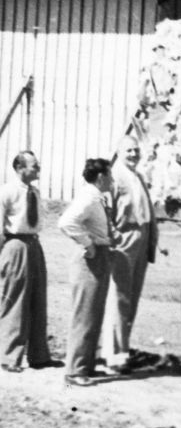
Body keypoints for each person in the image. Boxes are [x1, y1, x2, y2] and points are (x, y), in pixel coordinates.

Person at [102, 135, 158, 374]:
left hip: (142, 239)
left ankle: (122, 349)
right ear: (118, 151)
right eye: (129, 151)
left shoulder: (139, 177)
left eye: (136, 150)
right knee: (120, 298)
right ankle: (113, 356)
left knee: (132, 298)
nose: (134, 155)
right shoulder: (114, 178)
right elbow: (105, 212)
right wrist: (113, 238)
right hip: (124, 240)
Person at [59, 158, 115, 387]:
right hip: (89, 259)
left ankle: (85, 365)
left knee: (94, 313)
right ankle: (74, 371)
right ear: (101, 177)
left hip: (100, 255)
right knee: (85, 314)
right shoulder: (89, 197)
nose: (112, 180)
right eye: (109, 176)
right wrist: (88, 244)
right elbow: (66, 222)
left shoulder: (95, 196)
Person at [0, 151, 56, 372]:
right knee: (14, 300)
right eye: (34, 166)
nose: (38, 169)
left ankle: (39, 355)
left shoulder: (35, 192)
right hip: (15, 245)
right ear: (20, 168)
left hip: (34, 245)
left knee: (37, 298)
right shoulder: (7, 191)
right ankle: (8, 356)